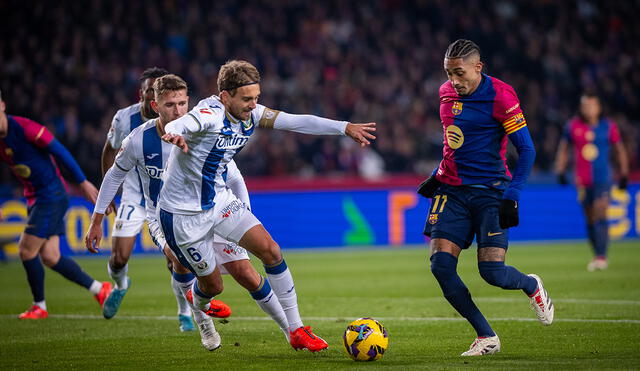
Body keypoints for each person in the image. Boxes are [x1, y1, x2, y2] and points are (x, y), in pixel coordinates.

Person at [157, 60, 376, 352]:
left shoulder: (252, 114)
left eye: (256, 97)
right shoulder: (209, 113)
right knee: (213, 287)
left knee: (271, 250)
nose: (253, 105)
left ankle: (297, 329)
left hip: (218, 200)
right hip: (183, 215)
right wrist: (174, 131)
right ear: (225, 96)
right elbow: (183, 122)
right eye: (246, 99)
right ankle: (198, 304)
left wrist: (344, 127)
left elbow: (296, 121)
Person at [85, 74, 290, 351]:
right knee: (177, 258)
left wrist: (245, 212)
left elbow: (234, 177)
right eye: (170, 104)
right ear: (156, 106)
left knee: (246, 273)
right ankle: (201, 319)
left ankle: (291, 330)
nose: (178, 110)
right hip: (163, 217)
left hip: (211, 209)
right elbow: (114, 175)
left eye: (183, 103)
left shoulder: (202, 128)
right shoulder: (139, 140)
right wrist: (96, 220)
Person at [417, 40, 554, 356]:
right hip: (452, 190)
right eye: (449, 73)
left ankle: (531, 285)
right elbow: (454, 144)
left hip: (491, 191)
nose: (454, 80)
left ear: (478, 67)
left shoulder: (501, 96)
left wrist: (513, 194)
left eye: (460, 73)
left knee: (492, 272)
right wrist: (437, 175)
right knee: (440, 265)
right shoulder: (445, 93)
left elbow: (528, 149)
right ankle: (486, 336)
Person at [0, 89, 112, 319]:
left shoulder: (24, 127)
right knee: (50, 256)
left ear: (2, 105)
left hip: (51, 195)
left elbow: (60, 151)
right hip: (35, 197)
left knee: (25, 249)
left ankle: (39, 306)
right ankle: (99, 289)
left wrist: (82, 182)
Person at [100, 67, 196, 331]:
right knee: (119, 257)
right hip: (134, 194)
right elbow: (108, 152)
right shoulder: (124, 120)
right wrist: (108, 192)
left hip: (167, 198)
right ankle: (121, 285)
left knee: (174, 259)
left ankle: (183, 312)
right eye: (146, 92)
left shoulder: (183, 122)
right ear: (145, 95)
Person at [554, 92, 629, 271]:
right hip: (582, 180)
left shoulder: (608, 126)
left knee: (600, 210)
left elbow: (619, 149)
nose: (588, 109)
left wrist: (624, 173)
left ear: (599, 107)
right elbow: (563, 148)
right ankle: (597, 254)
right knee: (590, 219)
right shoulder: (573, 126)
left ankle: (602, 256)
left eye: (592, 105)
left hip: (603, 178)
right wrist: (561, 170)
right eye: (585, 105)